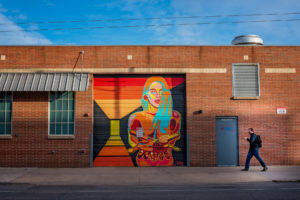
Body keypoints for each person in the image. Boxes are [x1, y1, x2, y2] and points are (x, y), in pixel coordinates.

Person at [127, 76, 181, 166]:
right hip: (144, 161)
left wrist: (168, 138)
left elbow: (177, 135)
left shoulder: (174, 116)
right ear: (145, 96)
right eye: (153, 91)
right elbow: (134, 139)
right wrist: (143, 141)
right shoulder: (137, 117)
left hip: (167, 161)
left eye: (161, 91)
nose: (158, 95)